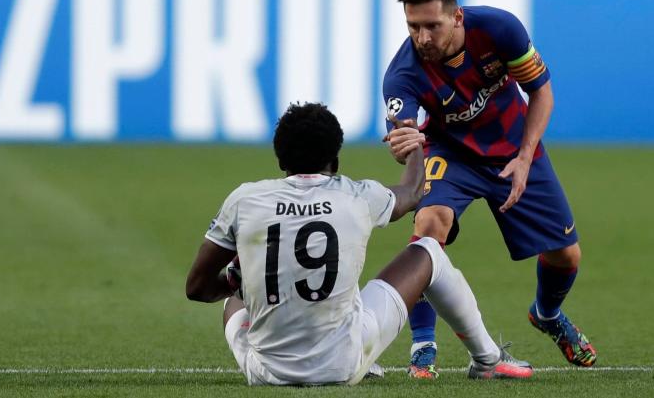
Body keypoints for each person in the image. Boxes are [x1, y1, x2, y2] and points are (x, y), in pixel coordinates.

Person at [185, 102, 533, 386]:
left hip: (265, 374)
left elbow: (197, 288)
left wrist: (236, 280)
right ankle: (487, 358)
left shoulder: (245, 199)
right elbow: (413, 193)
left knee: (236, 295)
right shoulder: (356, 194)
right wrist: (413, 145)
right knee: (428, 251)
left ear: (280, 160)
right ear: (334, 160)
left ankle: (256, 316)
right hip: (345, 363)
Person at [382, 0, 597, 379]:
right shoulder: (402, 75)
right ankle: (423, 344)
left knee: (566, 255)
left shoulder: (500, 29)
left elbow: (541, 91)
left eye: (433, 25)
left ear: (457, 16)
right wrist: (403, 148)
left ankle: (547, 314)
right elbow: (407, 142)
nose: (423, 37)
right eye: (413, 26)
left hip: (515, 148)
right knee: (430, 226)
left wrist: (525, 156)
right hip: (451, 153)